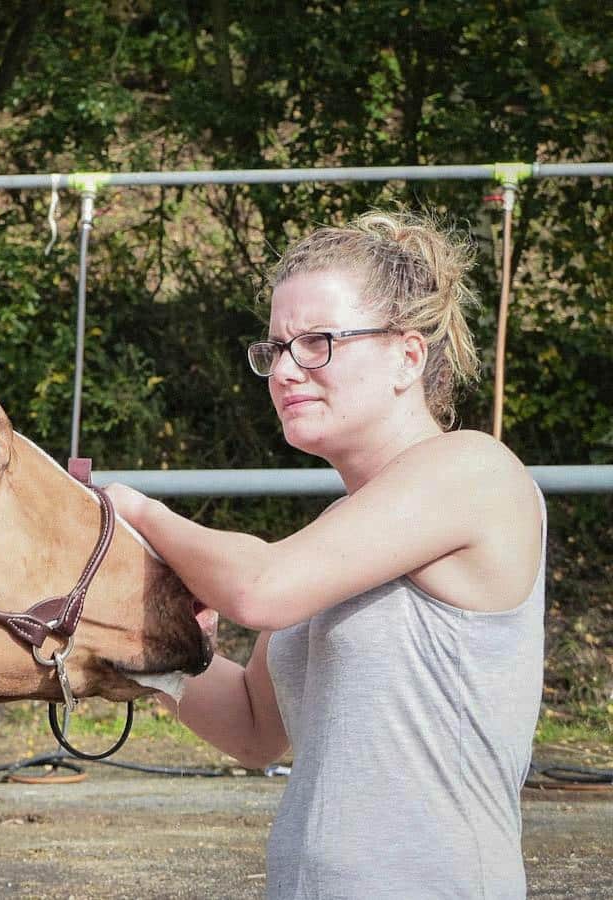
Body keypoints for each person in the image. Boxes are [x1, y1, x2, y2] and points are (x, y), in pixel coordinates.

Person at [106, 211, 545, 899]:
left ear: (408, 356)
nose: (285, 370)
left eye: (317, 343)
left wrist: (134, 514)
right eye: (276, 348)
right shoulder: (340, 530)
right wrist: (152, 645)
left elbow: (259, 588)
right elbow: (254, 729)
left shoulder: (474, 471)